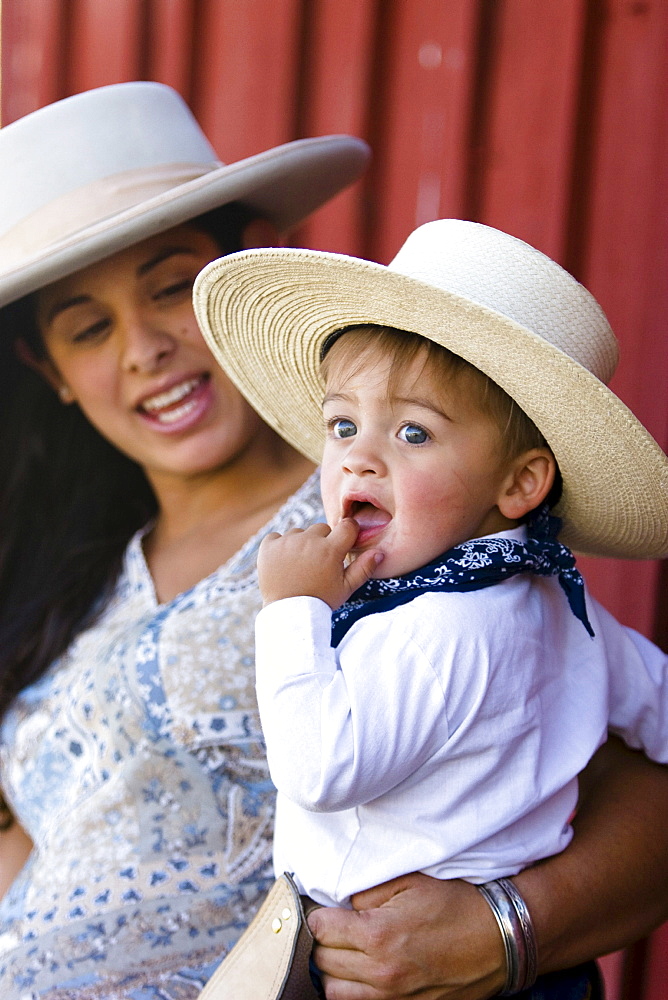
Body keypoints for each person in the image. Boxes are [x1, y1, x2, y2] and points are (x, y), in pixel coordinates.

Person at [0, 79, 665, 1000]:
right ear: (53, 371)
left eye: (171, 290)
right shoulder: (60, 574)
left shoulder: (395, 535)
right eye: (87, 329)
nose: (143, 348)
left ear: (248, 267)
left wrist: (505, 928)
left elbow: (635, 791)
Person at [193, 219, 668, 998]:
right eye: (342, 423)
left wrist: (291, 611)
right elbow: (658, 704)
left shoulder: (440, 628)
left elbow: (321, 769)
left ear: (520, 484)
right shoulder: (559, 606)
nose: (360, 456)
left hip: (405, 968)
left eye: (414, 432)